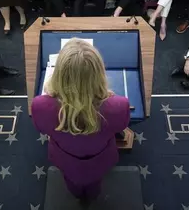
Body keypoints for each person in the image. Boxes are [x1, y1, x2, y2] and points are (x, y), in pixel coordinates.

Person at [31, 38, 130, 201]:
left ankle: (77, 196)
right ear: (98, 73)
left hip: (65, 159)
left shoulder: (40, 105)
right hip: (100, 159)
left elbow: (41, 128)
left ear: (60, 73)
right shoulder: (119, 106)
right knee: (95, 185)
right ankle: (92, 196)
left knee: (71, 183)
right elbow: (121, 127)